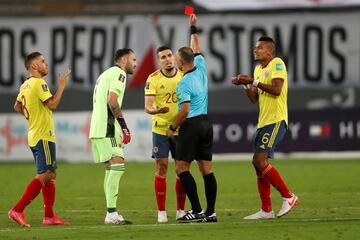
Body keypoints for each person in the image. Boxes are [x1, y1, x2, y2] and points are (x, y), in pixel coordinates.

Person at [231, 36, 299, 220]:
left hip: (276, 120)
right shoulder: (258, 69)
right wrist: (245, 83)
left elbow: (277, 90)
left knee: (260, 161)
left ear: (270, 51)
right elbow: (254, 99)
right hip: (263, 121)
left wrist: (253, 82)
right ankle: (266, 210)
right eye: (255, 48)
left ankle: (288, 196)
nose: (256, 50)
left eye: (260, 48)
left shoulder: (277, 64)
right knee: (257, 165)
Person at [8, 52, 71, 227]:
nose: (46, 64)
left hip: (34, 135)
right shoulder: (38, 83)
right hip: (43, 136)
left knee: (51, 174)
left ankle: (49, 216)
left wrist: (33, 117)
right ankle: (17, 210)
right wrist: (62, 85)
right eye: (42, 61)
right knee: (47, 173)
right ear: (34, 66)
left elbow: (17, 106)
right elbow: (52, 104)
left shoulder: (25, 85)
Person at [166, 14, 217, 223]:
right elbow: (195, 48)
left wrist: (172, 127)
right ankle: (210, 213)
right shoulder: (201, 67)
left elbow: (184, 110)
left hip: (191, 125)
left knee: (181, 168)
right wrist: (193, 29)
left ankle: (195, 210)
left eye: (176, 59)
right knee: (206, 170)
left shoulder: (183, 83)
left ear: (180, 62)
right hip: (206, 123)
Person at [89, 48, 136, 225]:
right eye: (133, 59)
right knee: (118, 165)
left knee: (112, 168)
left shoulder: (105, 74)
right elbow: (112, 100)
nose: (136, 64)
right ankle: (111, 214)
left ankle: (112, 213)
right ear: (124, 60)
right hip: (107, 128)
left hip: (98, 127)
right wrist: (124, 127)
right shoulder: (119, 74)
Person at [144, 46, 186, 223]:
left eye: (170, 56)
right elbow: (148, 106)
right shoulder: (153, 78)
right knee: (161, 167)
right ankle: (161, 211)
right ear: (159, 60)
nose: (168, 59)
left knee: (181, 170)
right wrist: (156, 110)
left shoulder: (184, 76)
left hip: (182, 129)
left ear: (174, 58)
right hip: (160, 129)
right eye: (163, 57)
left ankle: (180, 211)